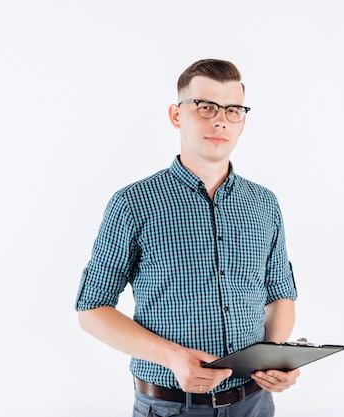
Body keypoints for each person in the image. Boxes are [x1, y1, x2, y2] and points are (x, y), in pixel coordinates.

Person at [75, 58, 299, 416]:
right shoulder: (133, 203)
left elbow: (280, 295)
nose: (220, 119)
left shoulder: (264, 203)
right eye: (205, 107)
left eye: (233, 110)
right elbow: (91, 310)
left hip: (254, 403)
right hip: (170, 407)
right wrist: (172, 357)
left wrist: (274, 359)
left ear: (243, 121)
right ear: (176, 116)